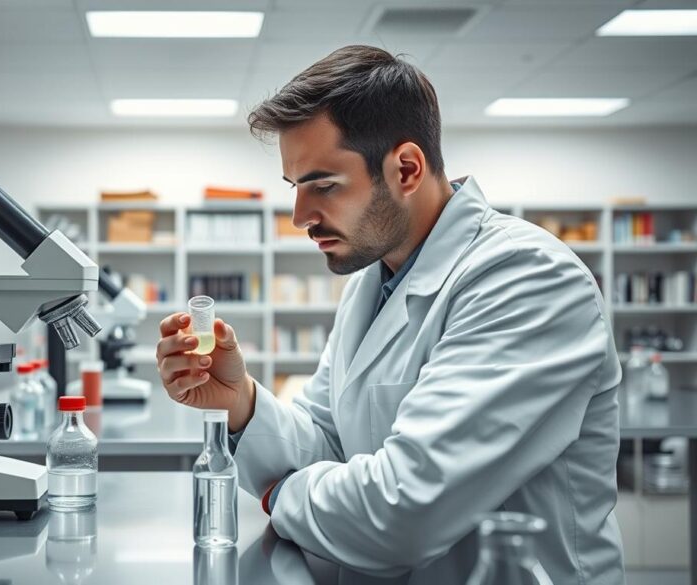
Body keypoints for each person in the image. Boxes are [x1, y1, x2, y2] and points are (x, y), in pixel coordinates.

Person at [156, 45, 624, 583]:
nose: (299, 217)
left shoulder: (529, 279)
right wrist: (238, 401)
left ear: (406, 169)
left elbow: (405, 514)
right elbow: (328, 441)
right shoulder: (372, 282)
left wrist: (282, 495)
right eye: (296, 188)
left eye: (323, 185)